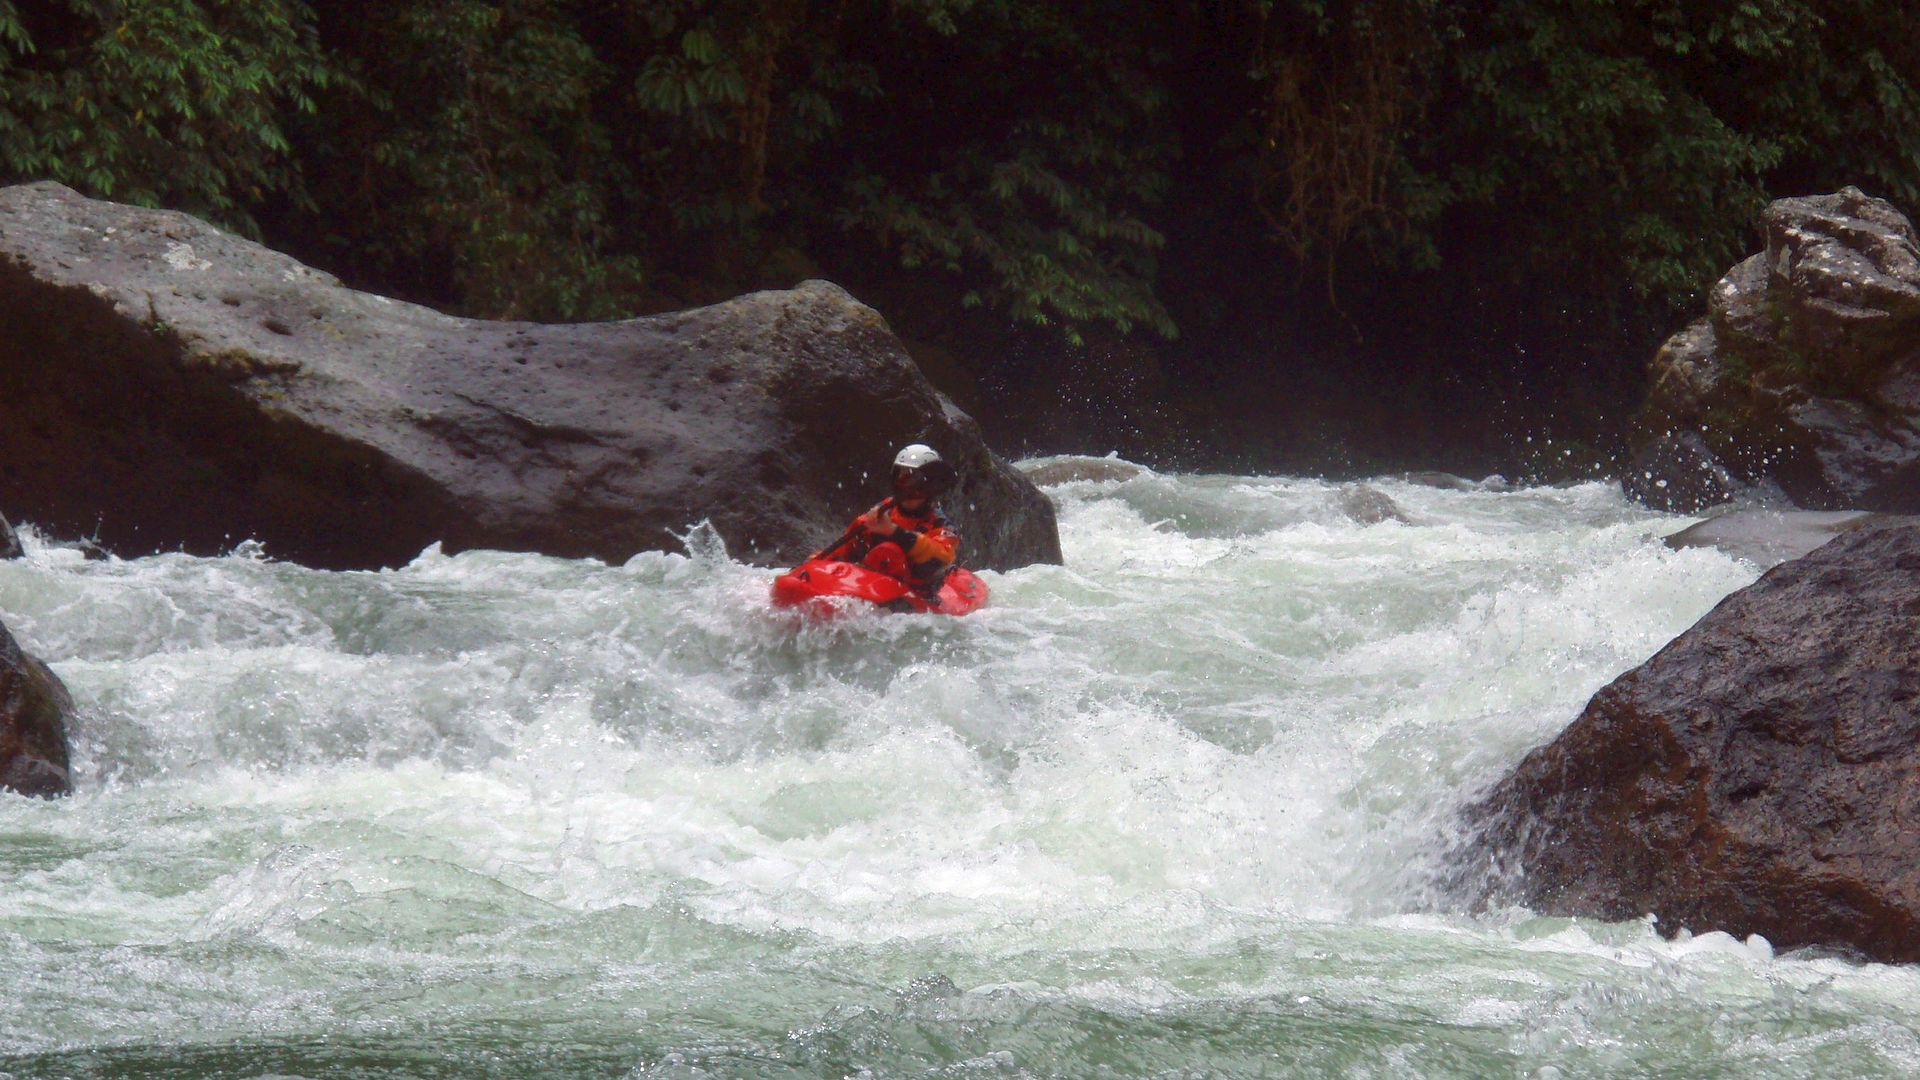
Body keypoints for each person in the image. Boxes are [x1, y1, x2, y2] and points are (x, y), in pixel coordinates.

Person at [827, 444, 960, 600]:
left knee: (891, 550)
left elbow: (941, 557)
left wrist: (895, 532)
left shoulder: (940, 525)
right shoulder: (880, 514)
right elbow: (840, 551)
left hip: (916, 596)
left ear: (931, 488)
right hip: (868, 588)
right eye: (902, 479)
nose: (909, 490)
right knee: (884, 549)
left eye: (916, 483)